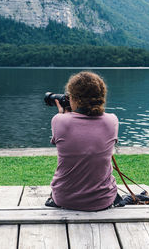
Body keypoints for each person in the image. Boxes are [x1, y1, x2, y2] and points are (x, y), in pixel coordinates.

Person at [47, 71, 121, 211]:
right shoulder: (112, 120)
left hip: (64, 198)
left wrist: (64, 115)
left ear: (74, 98)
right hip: (103, 200)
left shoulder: (59, 120)